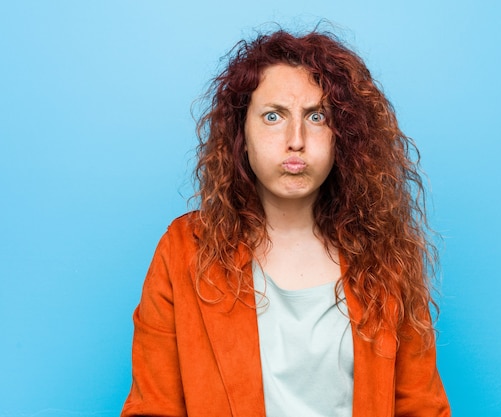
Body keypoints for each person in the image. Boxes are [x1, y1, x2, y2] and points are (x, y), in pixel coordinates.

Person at [121, 28, 450, 417]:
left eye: (316, 116)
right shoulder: (184, 250)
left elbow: (422, 409)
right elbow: (152, 408)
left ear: (343, 134)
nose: (296, 139)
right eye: (273, 116)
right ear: (241, 131)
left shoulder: (384, 257)